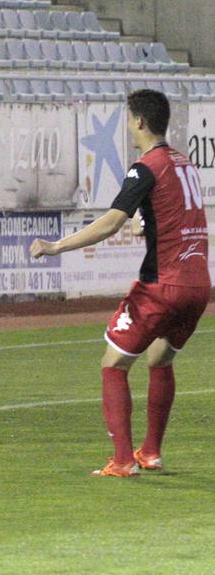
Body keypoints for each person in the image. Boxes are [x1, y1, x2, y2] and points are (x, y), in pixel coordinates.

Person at [31, 89, 208, 477]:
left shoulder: (145, 167)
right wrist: (147, 223)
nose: (128, 125)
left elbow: (111, 222)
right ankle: (151, 452)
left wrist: (56, 246)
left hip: (163, 284)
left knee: (113, 364)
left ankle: (124, 461)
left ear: (140, 121)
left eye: (129, 119)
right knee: (160, 359)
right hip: (198, 285)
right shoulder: (183, 163)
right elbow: (169, 215)